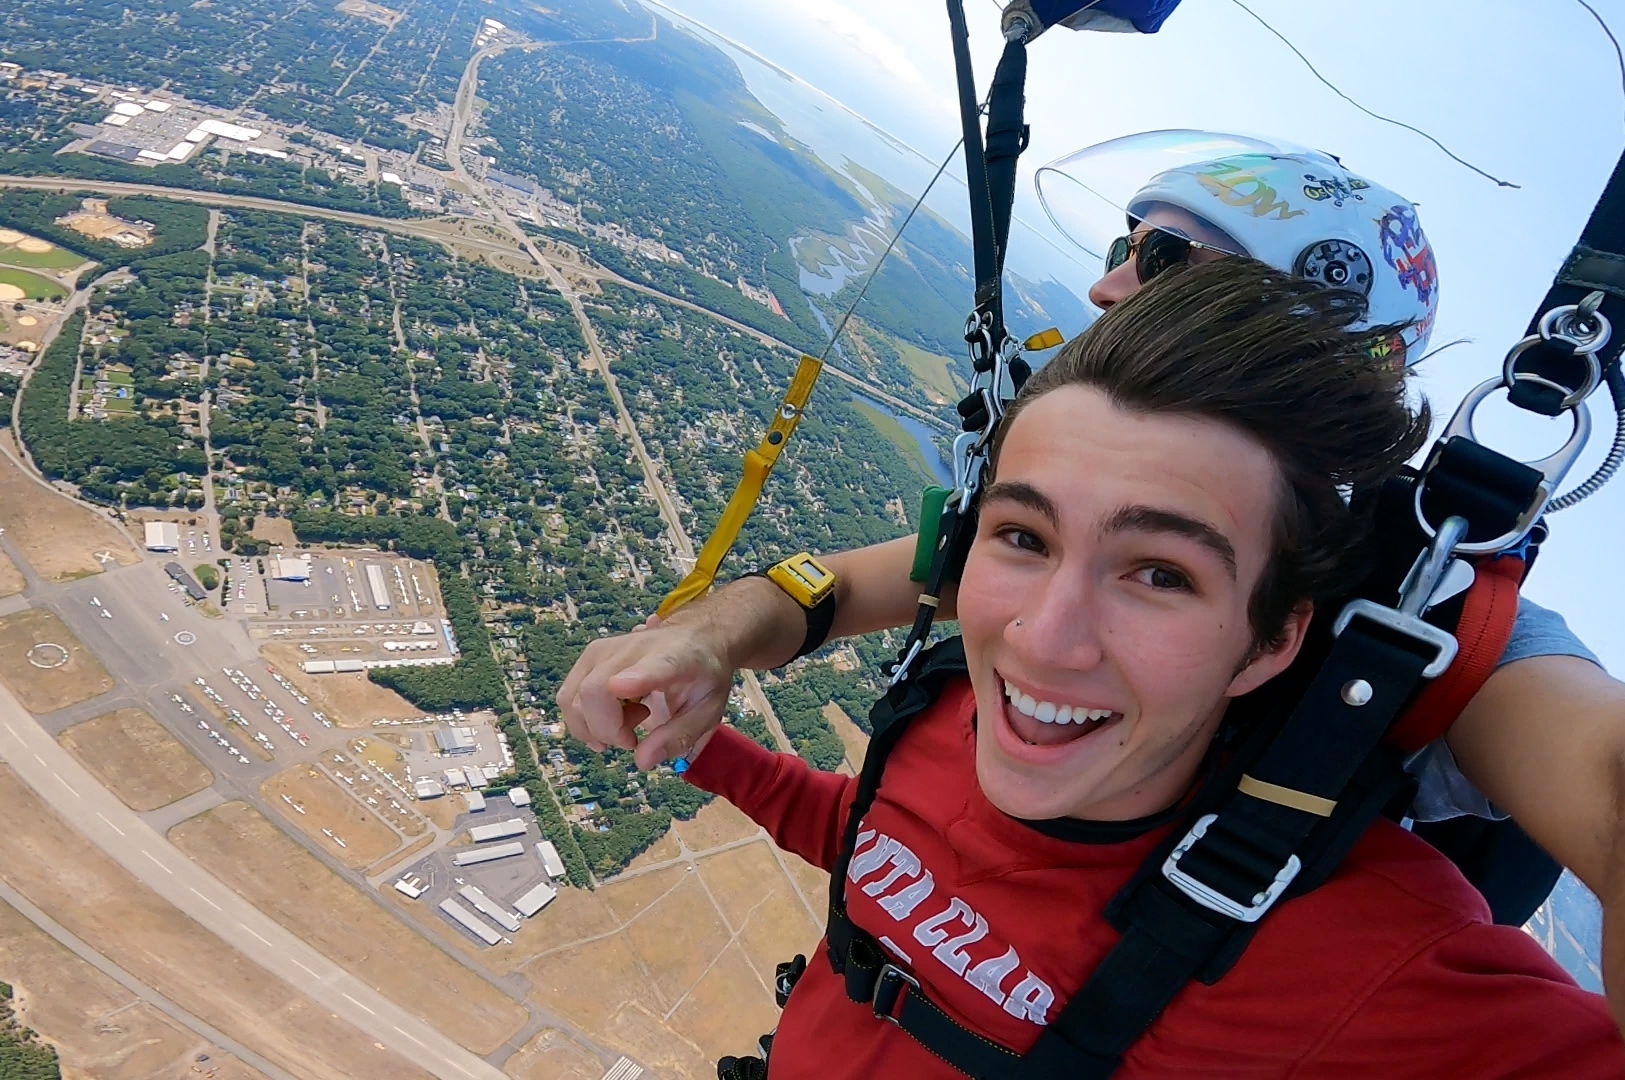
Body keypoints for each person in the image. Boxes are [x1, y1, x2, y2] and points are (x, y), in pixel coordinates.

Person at [560, 149, 1622, 953]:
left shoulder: (1427, 623)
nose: (1107, 286)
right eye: (1122, 247)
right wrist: (707, 636)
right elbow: (824, 590)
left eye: (1158, 259)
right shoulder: (1059, 523)